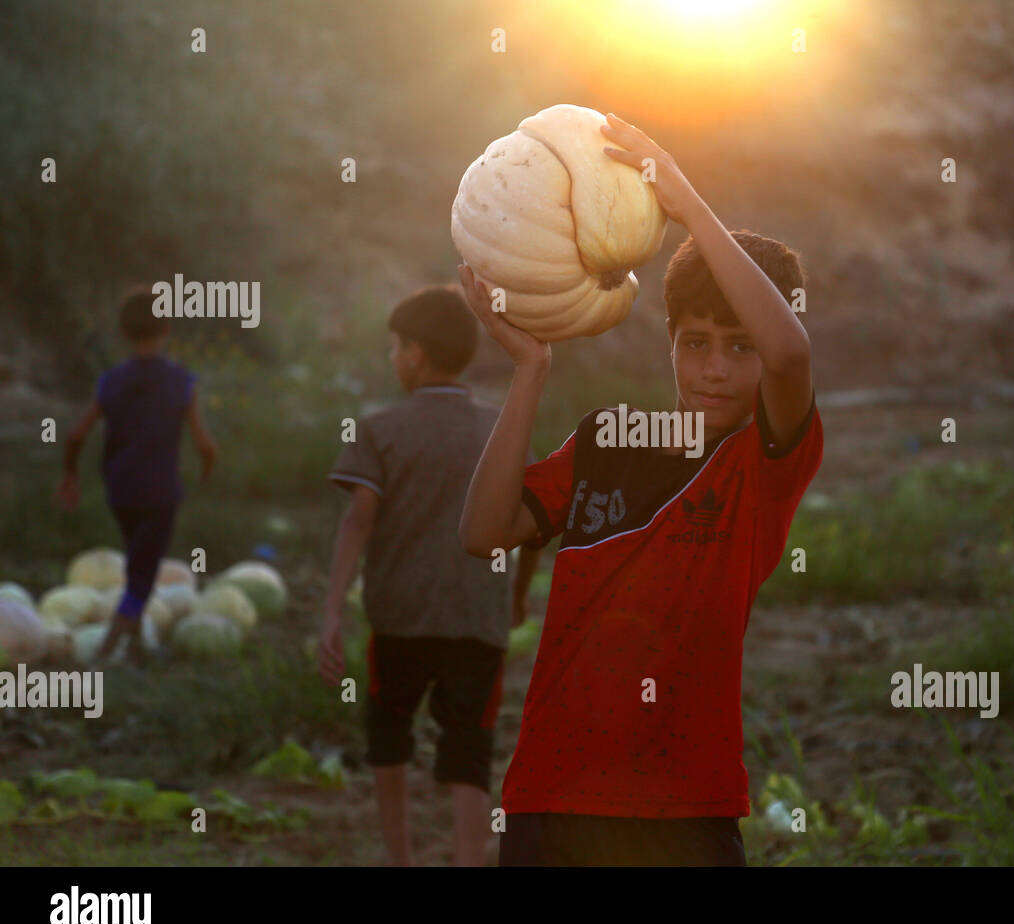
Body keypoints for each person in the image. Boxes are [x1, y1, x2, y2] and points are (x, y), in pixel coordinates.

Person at [458, 112, 823, 866]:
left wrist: (686, 205)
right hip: (550, 796)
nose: (715, 368)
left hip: (683, 808)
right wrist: (530, 372)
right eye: (695, 343)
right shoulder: (607, 441)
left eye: (737, 347)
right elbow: (484, 532)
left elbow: (789, 352)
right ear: (669, 344)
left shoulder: (763, 461)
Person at [318, 285, 540, 866]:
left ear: (415, 354)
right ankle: (470, 859)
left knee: (389, 739)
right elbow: (532, 524)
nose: (393, 358)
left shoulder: (380, 428)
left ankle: (401, 859)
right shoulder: (501, 425)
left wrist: (333, 612)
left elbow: (358, 519)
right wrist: (515, 599)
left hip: (399, 617)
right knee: (469, 746)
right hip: (477, 617)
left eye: (396, 347)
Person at [55, 286, 216, 664]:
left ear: (123, 333)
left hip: (120, 489)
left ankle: (138, 647)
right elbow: (206, 444)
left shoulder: (110, 381)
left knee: (137, 562)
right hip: (161, 490)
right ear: (167, 328)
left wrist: (69, 476)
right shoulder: (182, 382)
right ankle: (109, 648)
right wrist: (206, 471)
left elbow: (76, 435)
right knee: (144, 572)